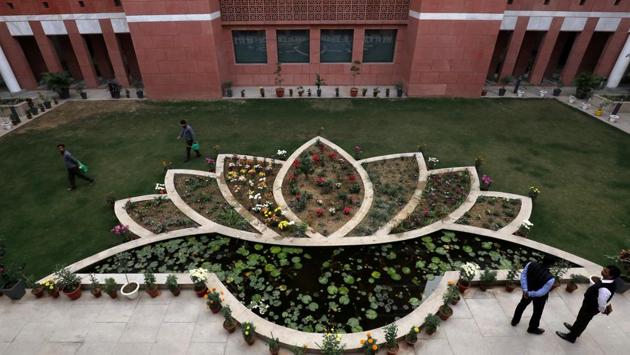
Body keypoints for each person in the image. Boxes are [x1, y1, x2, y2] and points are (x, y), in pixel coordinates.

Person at [556, 265, 621, 343]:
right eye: (604, 269)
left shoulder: (605, 289)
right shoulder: (609, 281)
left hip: (591, 307)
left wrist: (602, 310)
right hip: (590, 305)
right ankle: (575, 330)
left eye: (605, 271)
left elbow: (602, 303)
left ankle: (571, 337)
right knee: (582, 319)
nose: (602, 271)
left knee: (582, 320)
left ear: (611, 276)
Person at [511, 255, 556, 334]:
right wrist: (529, 293)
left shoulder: (530, 264)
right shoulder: (551, 279)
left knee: (522, 305)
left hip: (527, 291)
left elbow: (523, 276)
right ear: (551, 264)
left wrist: (525, 291)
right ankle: (532, 328)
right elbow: (542, 292)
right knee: (537, 312)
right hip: (539, 297)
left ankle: (514, 321)